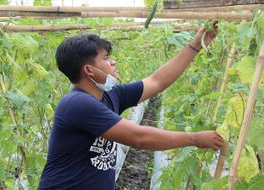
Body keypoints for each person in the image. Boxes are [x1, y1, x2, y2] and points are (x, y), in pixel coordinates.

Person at [37, 22, 225, 190]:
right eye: (106, 58)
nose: (113, 62)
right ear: (89, 70)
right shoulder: (77, 104)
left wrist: (195, 46)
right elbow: (139, 138)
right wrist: (194, 139)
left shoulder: (109, 95)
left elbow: (156, 82)